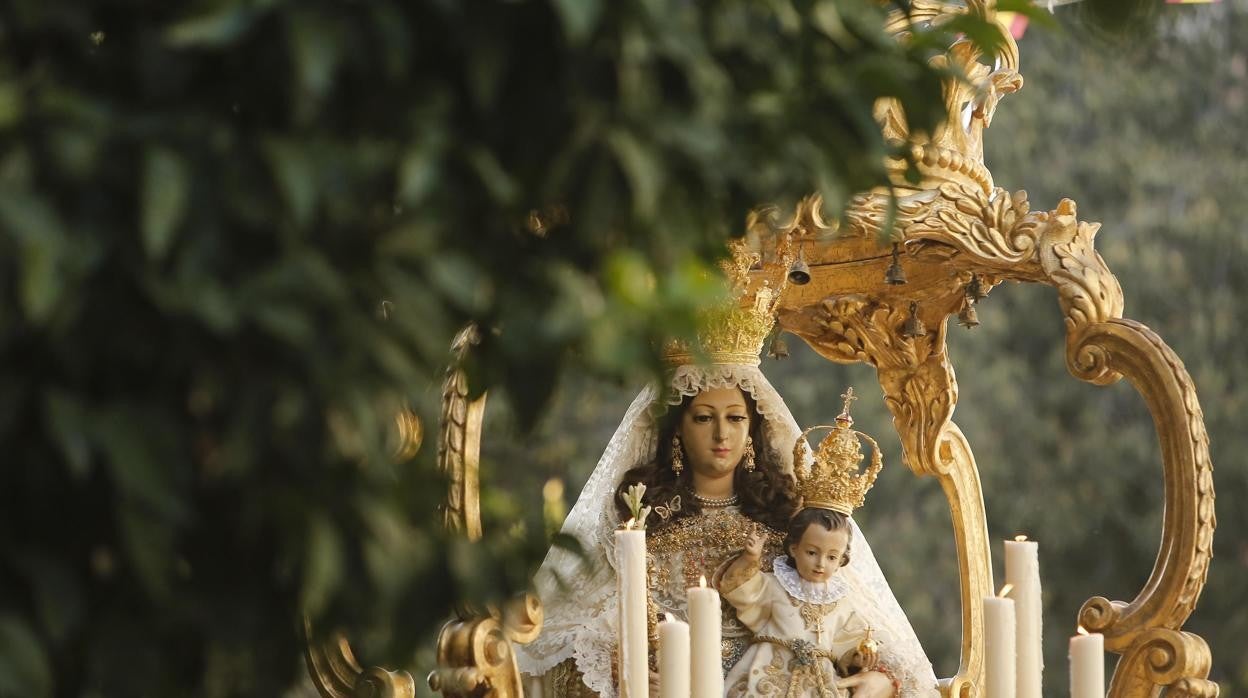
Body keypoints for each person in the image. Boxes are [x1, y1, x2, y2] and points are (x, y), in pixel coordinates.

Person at [515, 242, 937, 697]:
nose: (722, 434)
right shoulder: (640, 524)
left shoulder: (787, 520)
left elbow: (846, 623)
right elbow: (557, 645)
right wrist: (627, 670)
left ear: (753, 429)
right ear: (677, 430)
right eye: (703, 418)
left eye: (735, 419)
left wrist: (878, 677)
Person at [720, 510, 879, 697]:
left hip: (818, 682)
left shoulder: (841, 602)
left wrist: (859, 657)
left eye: (832, 557)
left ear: (841, 560)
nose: (820, 563)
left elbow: (848, 641)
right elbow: (737, 588)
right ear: (794, 549)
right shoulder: (776, 585)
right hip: (769, 673)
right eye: (812, 552)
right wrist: (750, 558)